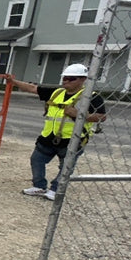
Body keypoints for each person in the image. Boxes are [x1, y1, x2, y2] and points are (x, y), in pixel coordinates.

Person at [10, 63, 107, 200]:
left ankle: (56, 190)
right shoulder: (57, 93)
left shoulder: (91, 97)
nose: (66, 81)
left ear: (82, 79)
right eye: (64, 78)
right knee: (36, 160)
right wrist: (13, 81)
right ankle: (39, 186)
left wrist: (79, 114)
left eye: (70, 79)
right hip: (49, 136)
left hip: (73, 139)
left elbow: (101, 117)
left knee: (66, 167)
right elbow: (32, 88)